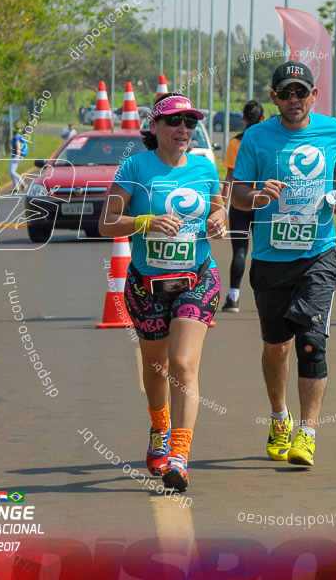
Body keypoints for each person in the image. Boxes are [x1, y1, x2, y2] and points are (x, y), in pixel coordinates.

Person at [98, 93, 227, 492]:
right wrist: (145, 221)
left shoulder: (205, 167)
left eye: (189, 122)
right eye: (174, 122)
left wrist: (218, 222)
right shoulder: (135, 167)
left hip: (196, 280)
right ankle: (160, 429)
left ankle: (180, 456)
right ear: (153, 127)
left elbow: (218, 208)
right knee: (156, 368)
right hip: (146, 286)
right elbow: (106, 223)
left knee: (183, 363)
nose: (183, 130)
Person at [230, 61, 336, 467]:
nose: (294, 100)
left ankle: (308, 433)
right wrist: (259, 196)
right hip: (269, 259)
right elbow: (238, 197)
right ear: (274, 98)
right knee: (276, 348)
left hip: (318, 252)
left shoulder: (333, 130)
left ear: (313, 95)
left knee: (311, 343)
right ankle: (280, 417)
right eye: (286, 93)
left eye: (301, 92)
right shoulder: (255, 138)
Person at [220, 100, 265, 313]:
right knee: (262, 251)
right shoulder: (266, 142)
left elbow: (229, 177)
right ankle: (264, 296)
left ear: (244, 119)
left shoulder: (235, 143)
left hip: (240, 202)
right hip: (264, 202)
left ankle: (233, 297)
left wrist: (221, 204)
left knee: (240, 250)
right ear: (263, 118)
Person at [9, 124, 29, 192]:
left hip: (16, 156)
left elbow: (18, 146)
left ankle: (23, 184)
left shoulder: (16, 137)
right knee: (11, 172)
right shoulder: (19, 136)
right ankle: (17, 187)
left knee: (12, 172)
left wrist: (17, 156)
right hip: (17, 156)